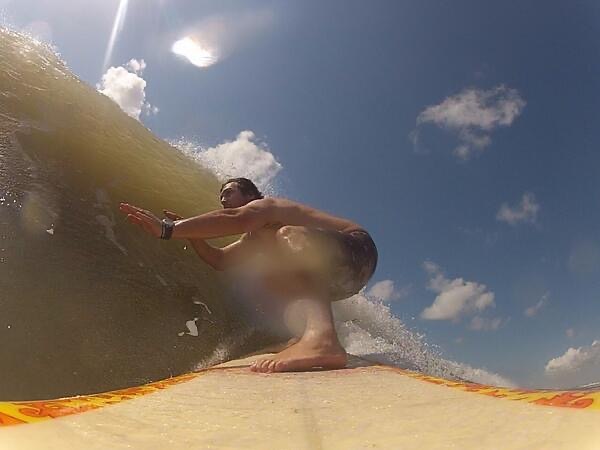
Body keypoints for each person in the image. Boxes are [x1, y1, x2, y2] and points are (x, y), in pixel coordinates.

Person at [119, 177, 377, 373]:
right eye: (221, 195)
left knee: (290, 235)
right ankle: (306, 334)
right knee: (269, 278)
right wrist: (192, 236)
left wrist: (167, 229)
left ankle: (323, 339)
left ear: (251, 195)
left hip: (358, 250)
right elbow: (221, 260)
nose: (223, 199)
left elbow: (237, 217)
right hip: (338, 279)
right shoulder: (254, 238)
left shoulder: (267, 206)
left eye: (229, 192)